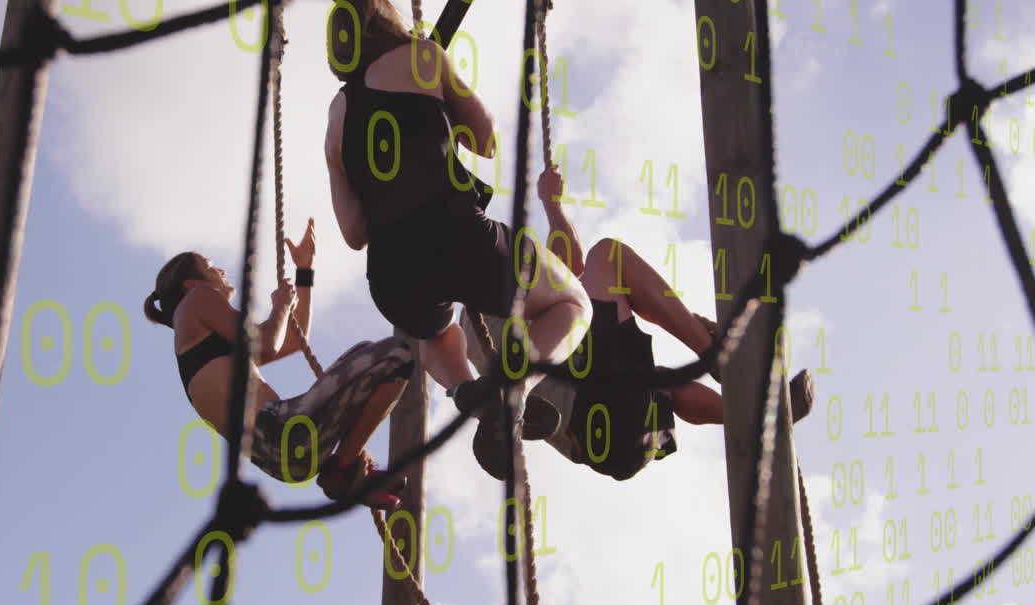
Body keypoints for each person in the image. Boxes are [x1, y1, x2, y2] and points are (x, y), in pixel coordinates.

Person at [322, 0, 593, 478]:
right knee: (573, 304)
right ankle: (515, 389)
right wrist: (437, 99)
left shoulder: (337, 116)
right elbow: (484, 139)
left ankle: (471, 395)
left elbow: (353, 232)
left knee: (432, 331)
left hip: (391, 274)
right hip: (459, 237)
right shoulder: (423, 57)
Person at [464, 168, 815, 481]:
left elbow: (567, 276)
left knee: (657, 378)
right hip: (599, 407)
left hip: (613, 446)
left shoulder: (470, 327)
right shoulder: (495, 286)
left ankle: (754, 419)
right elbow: (572, 266)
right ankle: (714, 356)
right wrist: (552, 205)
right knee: (608, 257)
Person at [143, 218, 414, 509]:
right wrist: (281, 306)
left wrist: (304, 271)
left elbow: (295, 342)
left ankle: (346, 469)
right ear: (191, 284)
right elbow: (266, 345)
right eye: (210, 267)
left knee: (367, 352)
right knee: (396, 355)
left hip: (284, 459)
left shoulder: (205, 344)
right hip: (282, 431)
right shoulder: (197, 299)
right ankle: (343, 468)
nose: (220, 270)